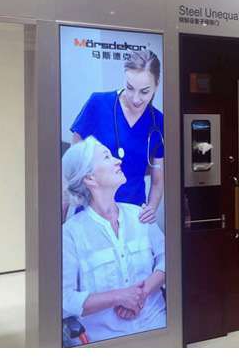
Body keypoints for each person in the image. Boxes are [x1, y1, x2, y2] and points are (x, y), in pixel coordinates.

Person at [61, 136, 166, 346]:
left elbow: (169, 258)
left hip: (158, 331)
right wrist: (119, 297)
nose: (118, 160)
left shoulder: (140, 215)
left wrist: (142, 292)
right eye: (107, 157)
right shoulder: (71, 234)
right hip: (106, 340)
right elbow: (64, 299)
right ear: (90, 178)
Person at [68, 50, 164, 224]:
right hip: (92, 214)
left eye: (144, 91)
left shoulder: (158, 121)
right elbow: (72, 168)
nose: (135, 99)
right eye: (130, 88)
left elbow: (157, 181)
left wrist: (151, 208)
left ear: (157, 85)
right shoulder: (98, 104)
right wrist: (60, 221)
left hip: (133, 216)